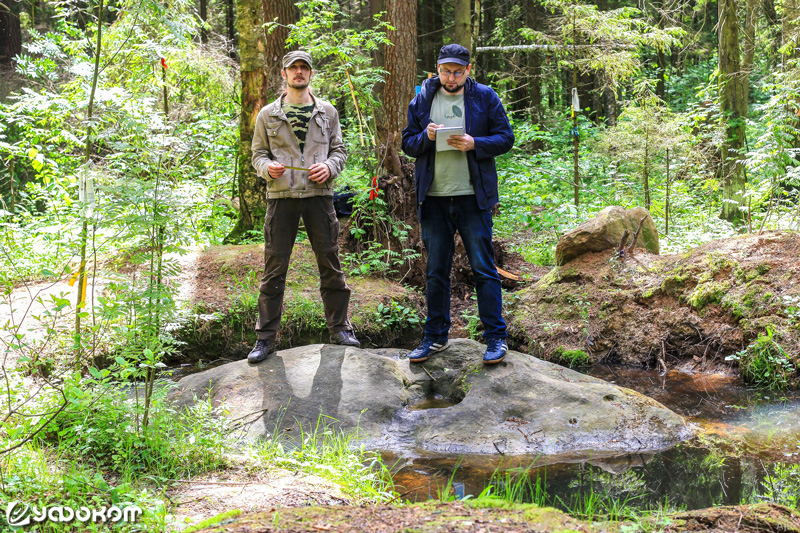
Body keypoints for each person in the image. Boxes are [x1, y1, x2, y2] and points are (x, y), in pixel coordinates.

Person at [401, 44, 514, 365]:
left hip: (472, 198)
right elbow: (408, 143)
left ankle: (495, 337)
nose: (451, 76)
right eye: (446, 70)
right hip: (433, 199)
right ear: (436, 69)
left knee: (483, 268)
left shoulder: (485, 97)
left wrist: (475, 143)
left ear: (467, 70)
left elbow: (506, 137)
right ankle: (435, 338)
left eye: (458, 71)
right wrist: (426, 136)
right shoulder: (422, 99)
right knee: (437, 271)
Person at [247, 50, 360, 364]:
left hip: (319, 198)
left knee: (331, 265)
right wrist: (267, 168)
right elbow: (257, 154)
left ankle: (340, 329)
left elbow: (339, 150)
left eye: (304, 68)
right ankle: (265, 340)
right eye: (293, 68)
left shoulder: (327, 112)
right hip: (281, 200)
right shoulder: (268, 114)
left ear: (311, 74)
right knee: (274, 272)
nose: (299, 72)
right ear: (284, 74)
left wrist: (330, 167)